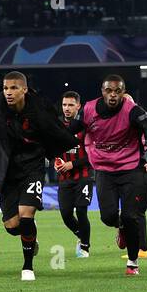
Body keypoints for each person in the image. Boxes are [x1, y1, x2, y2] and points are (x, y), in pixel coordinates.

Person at [0, 71, 76, 281]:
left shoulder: (40, 109)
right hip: (5, 170)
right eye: (5, 88)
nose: (8, 93)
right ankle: (30, 234)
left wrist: (58, 152)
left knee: (26, 213)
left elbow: (56, 131)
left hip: (32, 167)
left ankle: (28, 266)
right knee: (13, 226)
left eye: (13, 88)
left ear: (24, 90)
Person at [79, 75, 147, 275]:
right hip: (104, 171)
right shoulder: (88, 110)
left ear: (123, 92)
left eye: (117, 91)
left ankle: (133, 262)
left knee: (131, 216)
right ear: (102, 91)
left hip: (131, 169)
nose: (113, 95)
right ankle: (119, 225)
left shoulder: (132, 110)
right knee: (107, 216)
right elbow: (73, 131)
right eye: (109, 91)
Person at [54, 90, 93, 258]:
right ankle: (81, 235)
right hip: (64, 178)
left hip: (84, 176)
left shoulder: (86, 126)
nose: (67, 108)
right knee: (66, 215)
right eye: (64, 105)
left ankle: (84, 246)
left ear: (79, 106)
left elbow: (93, 155)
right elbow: (52, 148)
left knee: (81, 211)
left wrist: (72, 164)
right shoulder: (56, 126)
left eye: (70, 105)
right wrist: (56, 161)